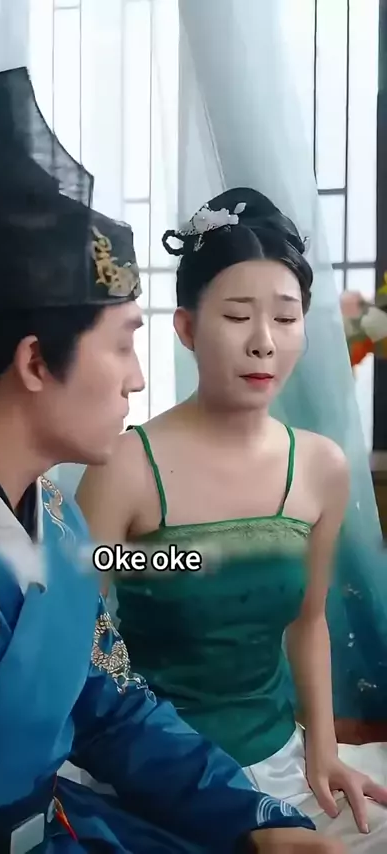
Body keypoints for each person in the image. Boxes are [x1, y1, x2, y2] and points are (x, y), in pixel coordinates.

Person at [0, 68, 339, 854]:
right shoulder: (116, 475)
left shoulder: (56, 516)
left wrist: (254, 821)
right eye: (122, 345)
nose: (138, 379)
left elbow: (110, 705)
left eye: (286, 317)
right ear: (37, 361)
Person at [76, 188, 387, 853]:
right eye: (238, 316)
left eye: (286, 317)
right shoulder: (125, 467)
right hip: (150, 772)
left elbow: (308, 623)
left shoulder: (322, 468)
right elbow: (77, 638)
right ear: (186, 328)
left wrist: (324, 751)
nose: (263, 343)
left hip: (277, 761)